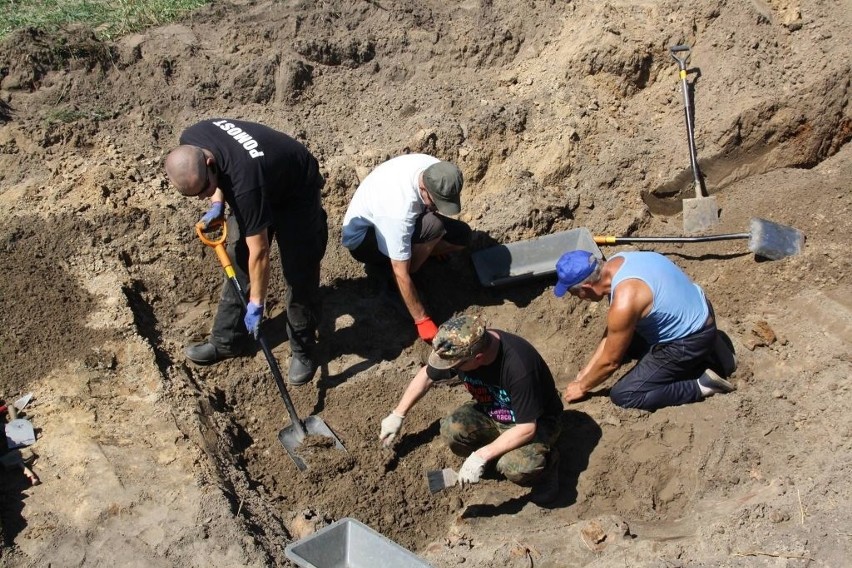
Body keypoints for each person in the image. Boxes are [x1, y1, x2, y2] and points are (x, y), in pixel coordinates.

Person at [165, 118, 328, 386]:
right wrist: (217, 201)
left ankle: (302, 348)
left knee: (299, 270)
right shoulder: (192, 138)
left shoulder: (245, 184)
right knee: (239, 259)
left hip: (295, 190)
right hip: (258, 177)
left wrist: (256, 303)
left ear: (209, 164)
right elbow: (217, 181)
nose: (203, 197)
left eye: (205, 190)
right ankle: (227, 340)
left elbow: (261, 252)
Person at [379, 314, 564, 505]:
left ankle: (548, 466)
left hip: (536, 420)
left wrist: (481, 455)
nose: (449, 369)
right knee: (452, 430)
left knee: (515, 466)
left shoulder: (519, 368)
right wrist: (398, 414)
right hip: (493, 409)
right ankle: (495, 453)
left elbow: (527, 428)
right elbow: (427, 376)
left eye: (455, 366)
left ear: (478, 357)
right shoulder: (461, 350)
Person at [554, 249, 737, 410]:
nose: (578, 298)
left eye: (575, 293)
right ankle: (715, 349)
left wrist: (583, 386)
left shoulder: (625, 301)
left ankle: (702, 385)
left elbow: (611, 362)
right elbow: (613, 332)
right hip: (700, 311)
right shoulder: (621, 260)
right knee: (625, 339)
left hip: (689, 341)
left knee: (624, 395)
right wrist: (588, 370)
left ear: (586, 287)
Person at [341, 154, 472, 343]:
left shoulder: (436, 170)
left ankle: (419, 248)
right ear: (423, 189)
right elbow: (400, 272)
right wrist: (422, 319)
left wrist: (429, 245)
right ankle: (394, 281)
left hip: (393, 218)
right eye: (436, 203)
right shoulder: (398, 211)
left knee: (462, 236)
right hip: (364, 241)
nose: (439, 208)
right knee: (432, 229)